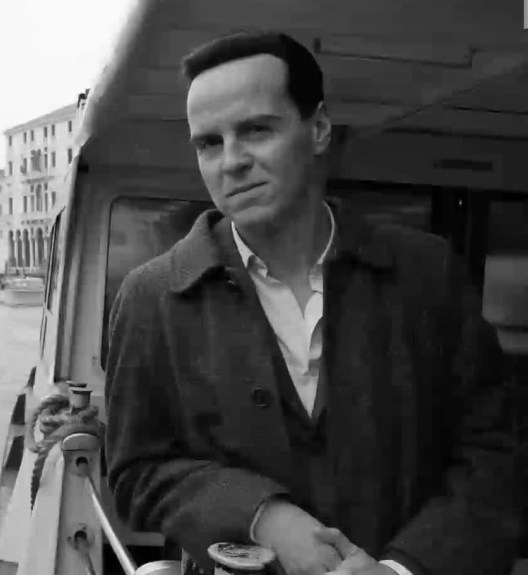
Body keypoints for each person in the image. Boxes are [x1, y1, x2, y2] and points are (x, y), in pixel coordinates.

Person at [103, 30, 524, 575]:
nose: (231, 161)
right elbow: (135, 471)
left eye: (256, 130)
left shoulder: (429, 274)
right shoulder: (151, 298)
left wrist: (401, 569)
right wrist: (261, 515)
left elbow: (495, 455)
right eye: (208, 143)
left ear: (319, 128)